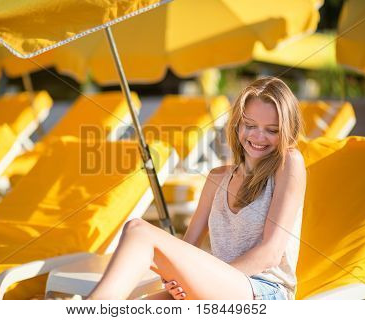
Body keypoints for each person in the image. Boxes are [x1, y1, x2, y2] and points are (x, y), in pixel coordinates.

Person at [87, 76, 307, 300]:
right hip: (220, 289)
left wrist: (197, 278)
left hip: (265, 292)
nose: (258, 136)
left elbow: (270, 254)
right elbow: (187, 247)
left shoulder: (289, 163)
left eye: (272, 130)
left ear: (287, 131)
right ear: (237, 124)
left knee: (138, 230)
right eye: (250, 125)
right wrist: (177, 279)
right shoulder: (216, 179)